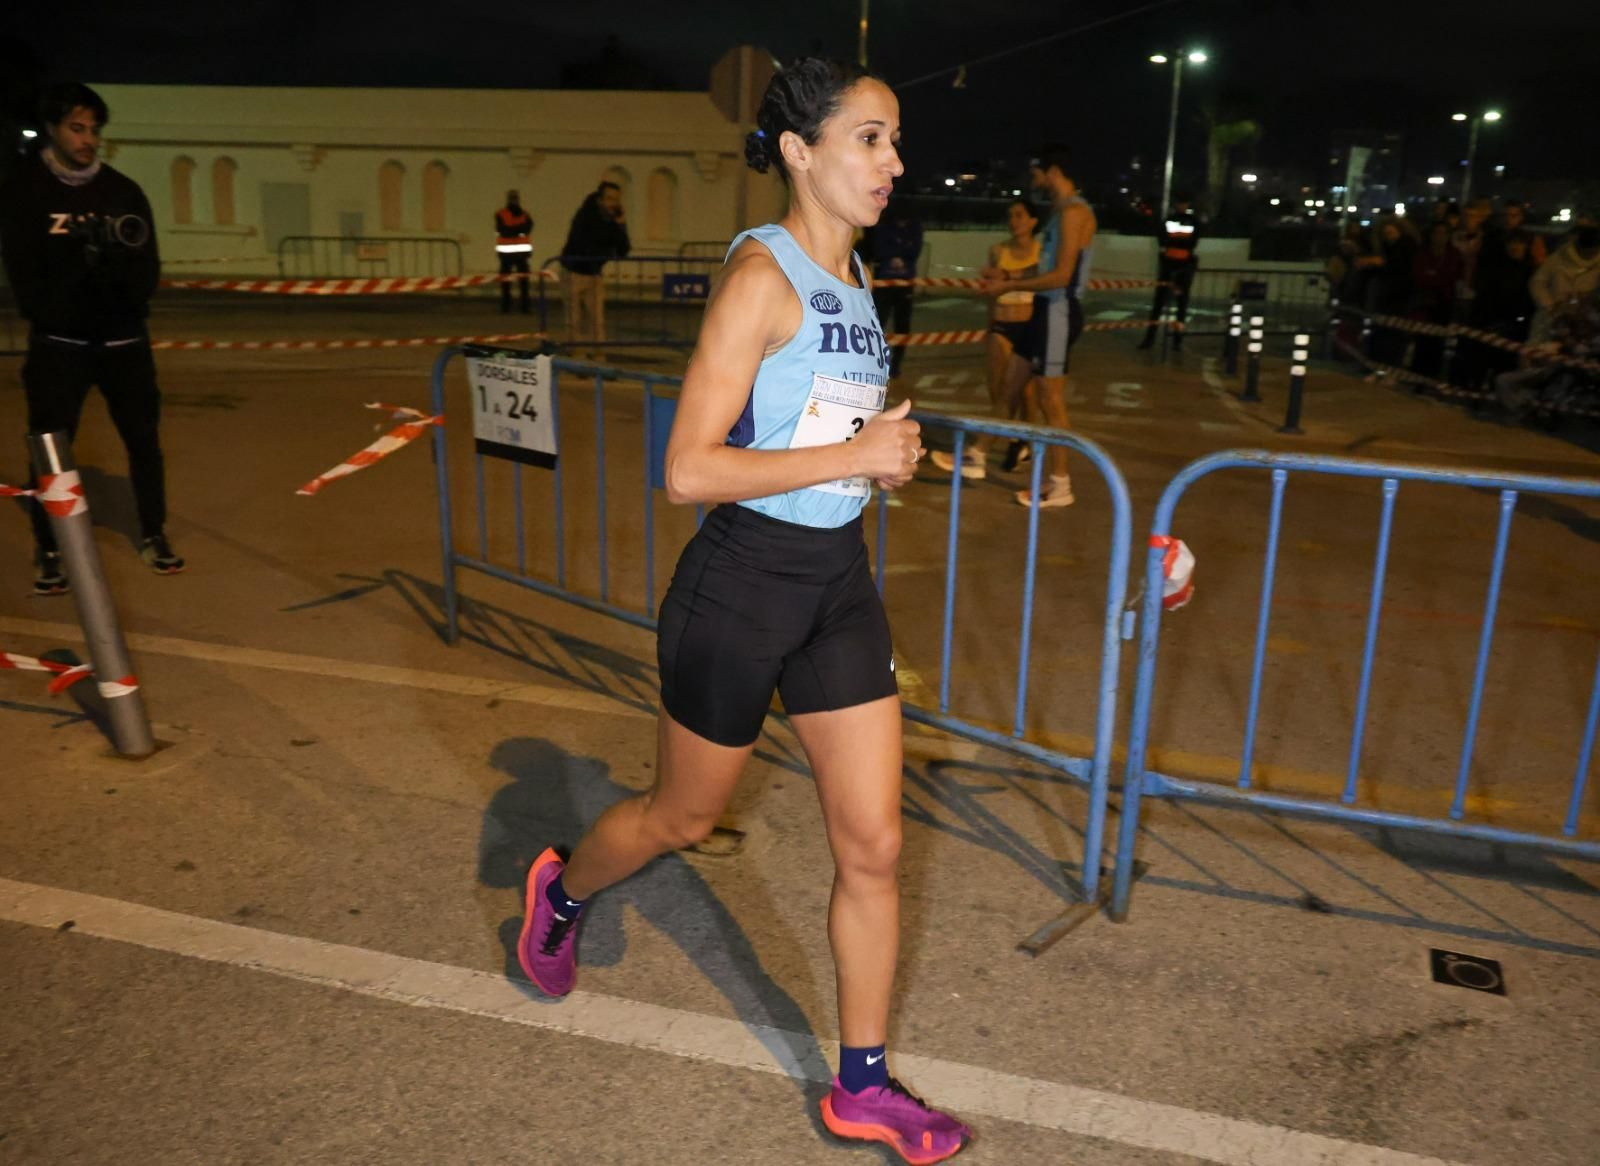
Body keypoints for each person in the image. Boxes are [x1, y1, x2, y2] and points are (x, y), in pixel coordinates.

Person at [516, 59, 971, 1164]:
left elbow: (819, 435)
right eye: (870, 138)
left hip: (837, 585)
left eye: (895, 139)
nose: (894, 162)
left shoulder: (856, 275)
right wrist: (854, 454)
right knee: (679, 818)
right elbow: (687, 469)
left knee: (874, 841)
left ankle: (861, 1085)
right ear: (800, 152)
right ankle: (562, 892)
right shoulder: (761, 280)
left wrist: (880, 456)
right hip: (741, 586)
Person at [0, 82, 183, 595]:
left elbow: (146, 273)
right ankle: (51, 546)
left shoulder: (122, 192)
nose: (88, 140)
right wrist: (74, 285)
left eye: (94, 130)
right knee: (51, 450)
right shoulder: (26, 192)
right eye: (77, 129)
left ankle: (153, 532)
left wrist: (111, 267)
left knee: (143, 442)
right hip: (59, 346)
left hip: (125, 345)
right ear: (53, 129)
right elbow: (26, 278)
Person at [933, 144, 1094, 508]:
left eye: (1036, 173)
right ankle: (976, 456)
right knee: (1009, 387)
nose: (1033, 180)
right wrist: (1007, 276)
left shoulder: (1074, 213)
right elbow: (1043, 268)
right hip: (1044, 311)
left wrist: (1007, 287)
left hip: (1058, 312)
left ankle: (1061, 484)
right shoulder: (1060, 213)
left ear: (1052, 171)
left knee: (1051, 400)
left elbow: (1061, 276)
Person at [556, 181, 630, 351]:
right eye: (609, 199)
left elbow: (623, 249)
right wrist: (609, 243)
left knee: (597, 319)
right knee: (573, 318)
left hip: (594, 273)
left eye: (616, 199)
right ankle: (577, 352)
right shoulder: (585, 215)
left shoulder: (613, 221)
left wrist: (621, 225)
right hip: (573, 271)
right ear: (600, 200)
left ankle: (598, 352)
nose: (613, 203)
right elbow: (588, 242)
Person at [864, 198, 923, 387]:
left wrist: (897, 254)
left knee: (902, 325)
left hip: (905, 283)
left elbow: (914, 249)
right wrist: (896, 254)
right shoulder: (883, 226)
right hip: (884, 283)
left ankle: (896, 364)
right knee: (878, 323)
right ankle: (873, 361)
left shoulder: (915, 227)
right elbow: (880, 249)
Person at [1136, 190, 1201, 351]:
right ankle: (1153, 339)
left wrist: (1174, 245)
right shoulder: (1180, 221)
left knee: (1179, 305)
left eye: (1183, 203)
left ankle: (1175, 341)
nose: (1181, 206)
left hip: (1180, 266)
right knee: (1162, 304)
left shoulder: (1188, 221)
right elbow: (1165, 239)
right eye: (1180, 203)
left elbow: (1170, 240)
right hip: (1173, 264)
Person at [1528, 215, 1600, 345]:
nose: (1591, 254)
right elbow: (1537, 283)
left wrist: (1590, 302)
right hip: (1552, 319)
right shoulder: (1558, 258)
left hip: (1585, 323)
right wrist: (1550, 305)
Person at [493, 189, 533, 314]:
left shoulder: (524, 214)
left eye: (515, 198)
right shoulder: (501, 214)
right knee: (506, 282)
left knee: (523, 282)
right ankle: (506, 307)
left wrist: (513, 229)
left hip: (521, 254)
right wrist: (519, 229)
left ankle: (524, 307)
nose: (514, 201)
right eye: (512, 198)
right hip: (507, 254)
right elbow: (504, 230)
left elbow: (527, 228)